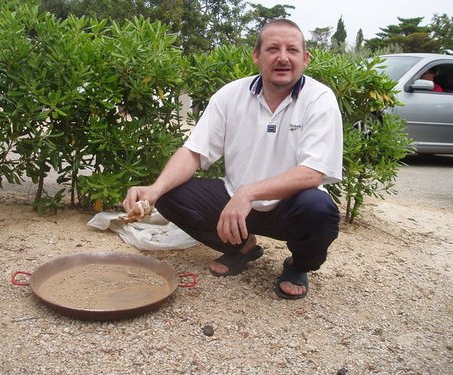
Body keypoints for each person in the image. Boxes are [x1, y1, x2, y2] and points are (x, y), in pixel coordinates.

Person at [123, 19, 342, 300]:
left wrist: (247, 192)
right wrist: (154, 190)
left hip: (291, 206)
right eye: (273, 49)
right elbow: (194, 151)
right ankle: (242, 248)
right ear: (256, 56)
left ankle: (298, 265)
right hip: (235, 205)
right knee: (169, 193)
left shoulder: (320, 99)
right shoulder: (230, 95)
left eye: (292, 50)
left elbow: (313, 173)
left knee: (318, 207)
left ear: (306, 59)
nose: (283, 57)